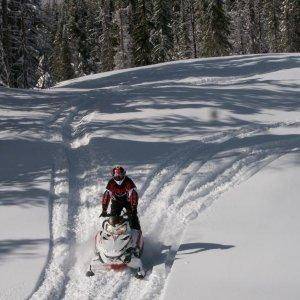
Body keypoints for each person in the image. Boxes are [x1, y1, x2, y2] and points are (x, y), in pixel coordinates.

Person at [100, 166, 141, 231]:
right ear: (113, 175)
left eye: (120, 175)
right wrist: (104, 210)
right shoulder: (111, 182)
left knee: (133, 217)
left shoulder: (128, 181)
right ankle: (112, 232)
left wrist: (134, 208)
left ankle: (137, 231)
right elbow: (106, 196)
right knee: (113, 217)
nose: (118, 178)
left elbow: (133, 195)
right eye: (116, 176)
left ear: (124, 174)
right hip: (116, 202)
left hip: (128, 202)